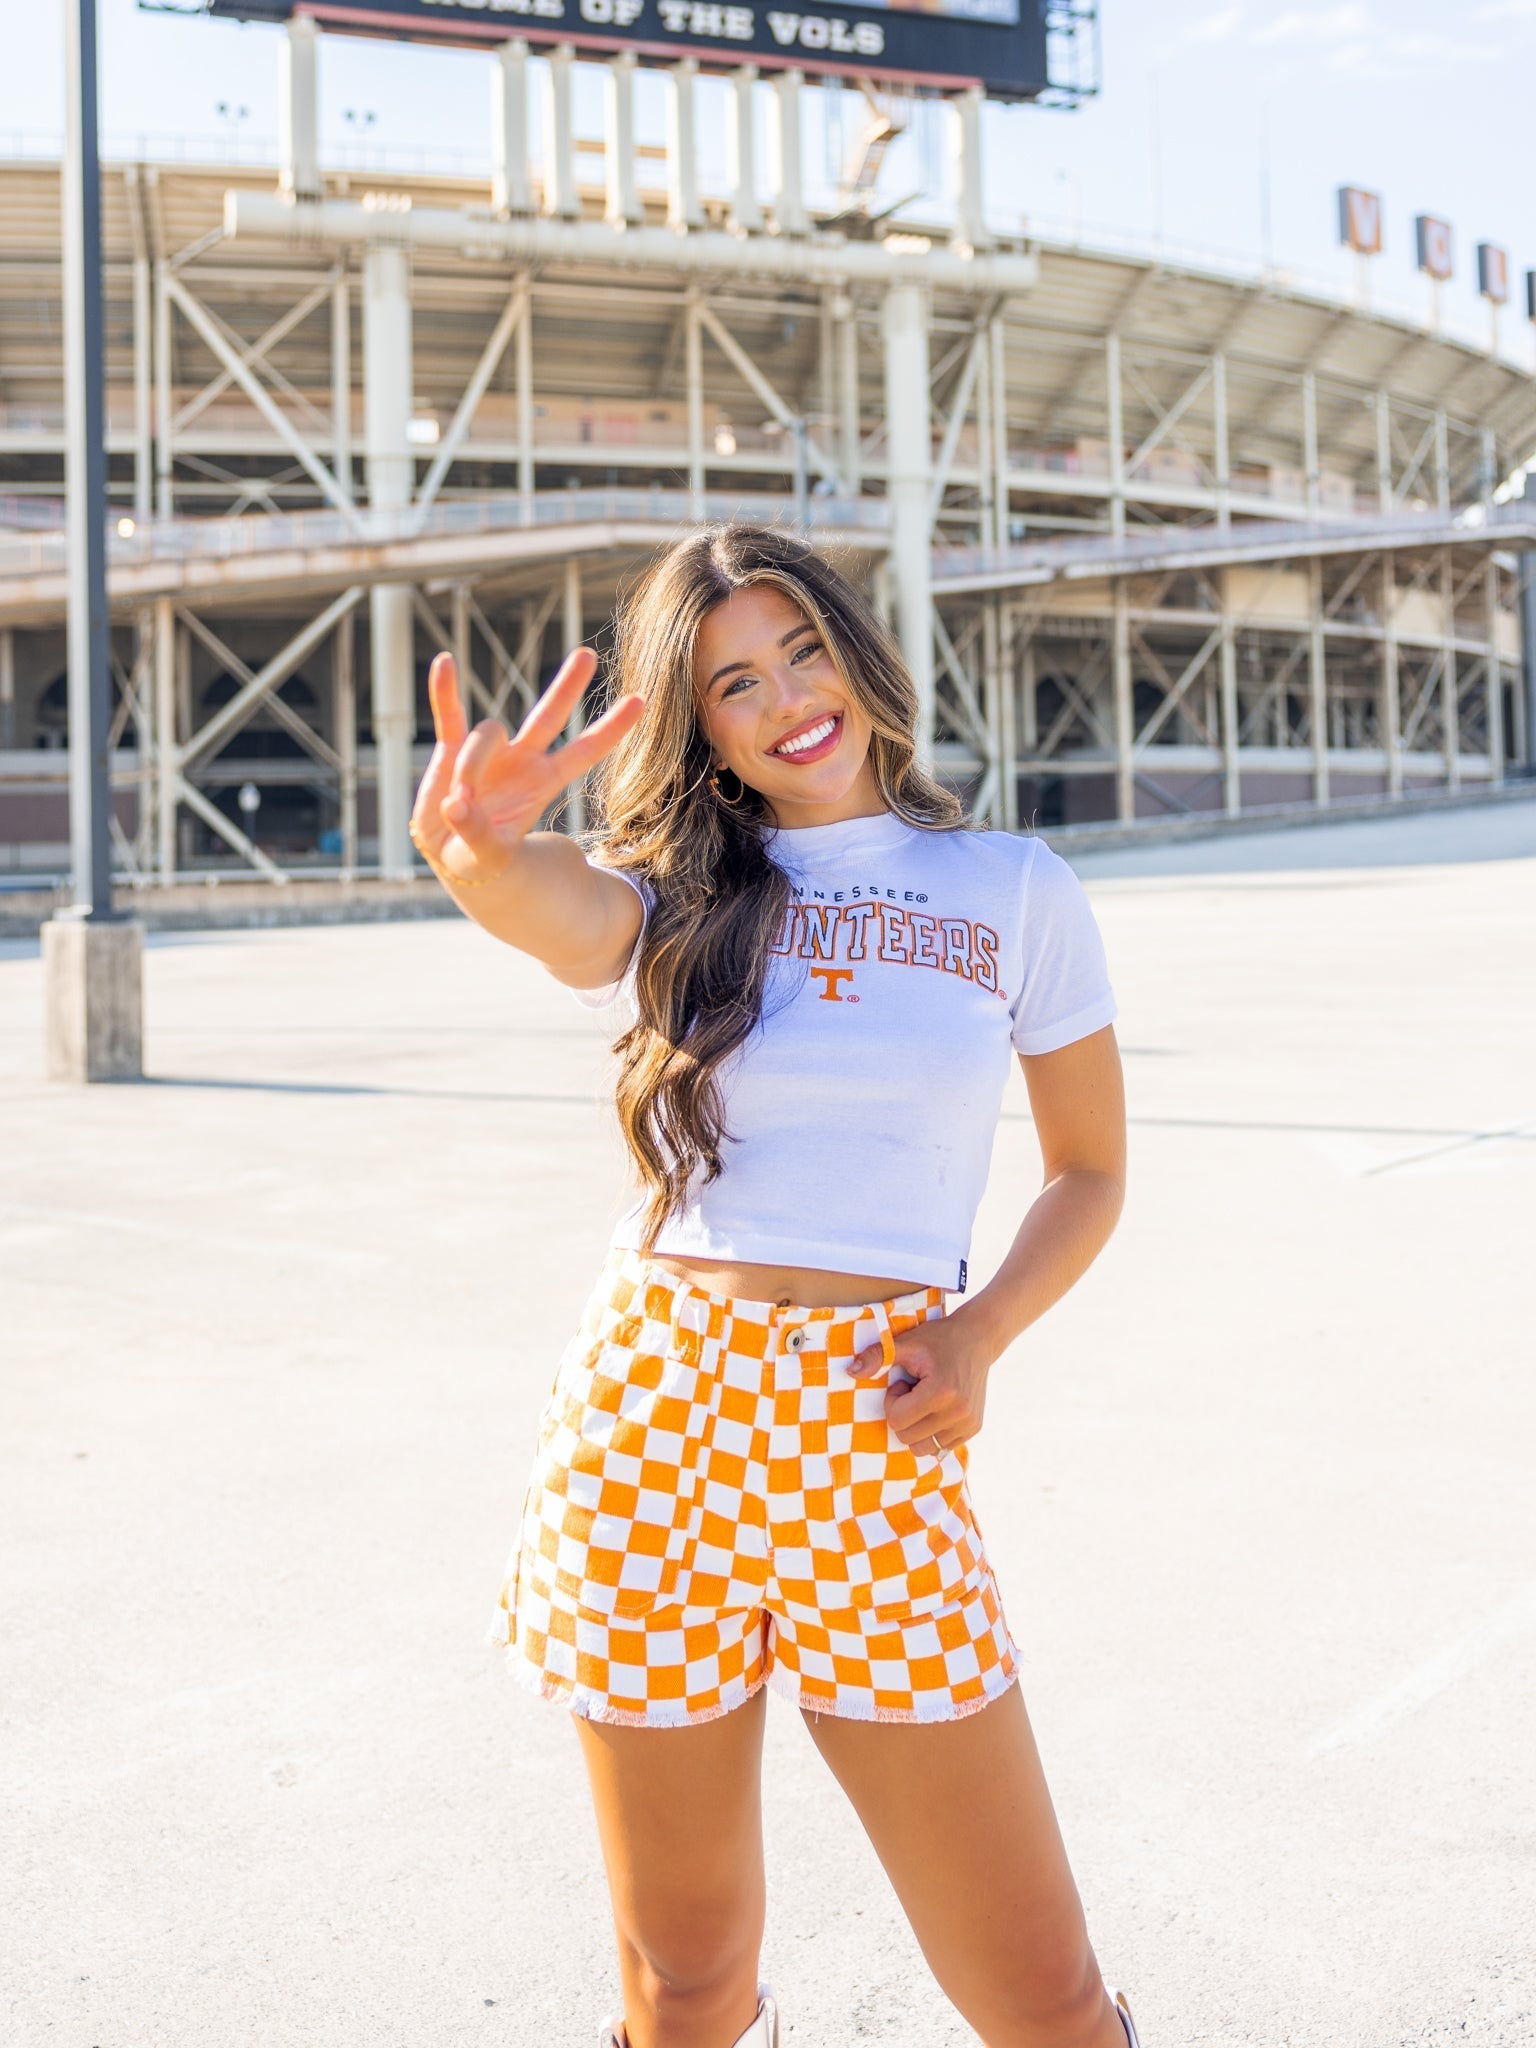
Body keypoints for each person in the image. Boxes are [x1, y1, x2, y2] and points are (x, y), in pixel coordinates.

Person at [409, 525, 1140, 2048]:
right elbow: (561, 911)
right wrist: (481, 856)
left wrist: (981, 1332)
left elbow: (1087, 1171)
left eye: (804, 650)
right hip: (656, 1421)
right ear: (703, 727)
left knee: (1045, 1996)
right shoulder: (679, 891)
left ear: (855, 652)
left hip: (876, 1423)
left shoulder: (1012, 888)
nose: (789, 698)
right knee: (685, 1986)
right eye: (736, 681)